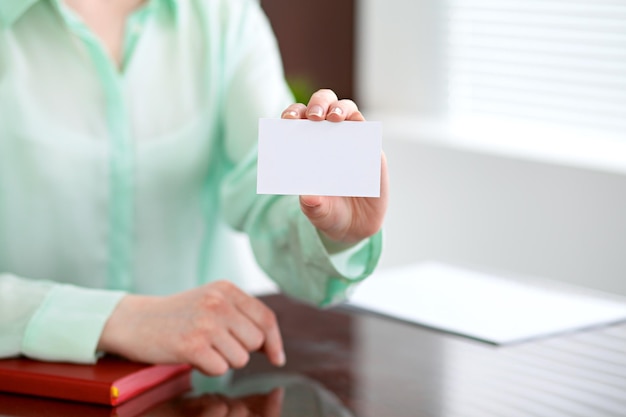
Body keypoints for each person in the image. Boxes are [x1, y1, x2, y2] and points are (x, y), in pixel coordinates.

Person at [0, 0, 388, 376]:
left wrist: (333, 231)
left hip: (199, 387)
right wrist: (117, 318)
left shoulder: (224, 18)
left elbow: (273, 196)